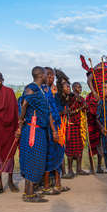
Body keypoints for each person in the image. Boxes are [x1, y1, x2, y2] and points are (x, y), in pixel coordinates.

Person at [16, 66, 57, 203]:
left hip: (40, 129)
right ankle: (29, 194)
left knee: (35, 159)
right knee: (32, 160)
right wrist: (21, 122)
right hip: (33, 129)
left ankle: (29, 192)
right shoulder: (31, 88)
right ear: (40, 75)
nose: (48, 76)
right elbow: (24, 103)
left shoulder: (41, 89)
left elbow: (46, 110)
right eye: (46, 74)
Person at [40, 67, 69, 195]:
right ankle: (46, 185)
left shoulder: (54, 92)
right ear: (43, 76)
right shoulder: (40, 91)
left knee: (58, 154)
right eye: (48, 75)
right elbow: (48, 111)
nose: (51, 78)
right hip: (47, 130)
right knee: (48, 156)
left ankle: (58, 184)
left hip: (59, 127)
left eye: (52, 75)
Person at [66, 82, 88, 176]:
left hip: (80, 127)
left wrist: (85, 107)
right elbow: (68, 112)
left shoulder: (82, 99)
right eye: (78, 87)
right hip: (71, 126)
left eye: (80, 87)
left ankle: (79, 169)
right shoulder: (70, 97)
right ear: (73, 88)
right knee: (70, 148)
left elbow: (85, 109)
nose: (80, 88)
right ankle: (70, 170)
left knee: (80, 148)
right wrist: (81, 108)